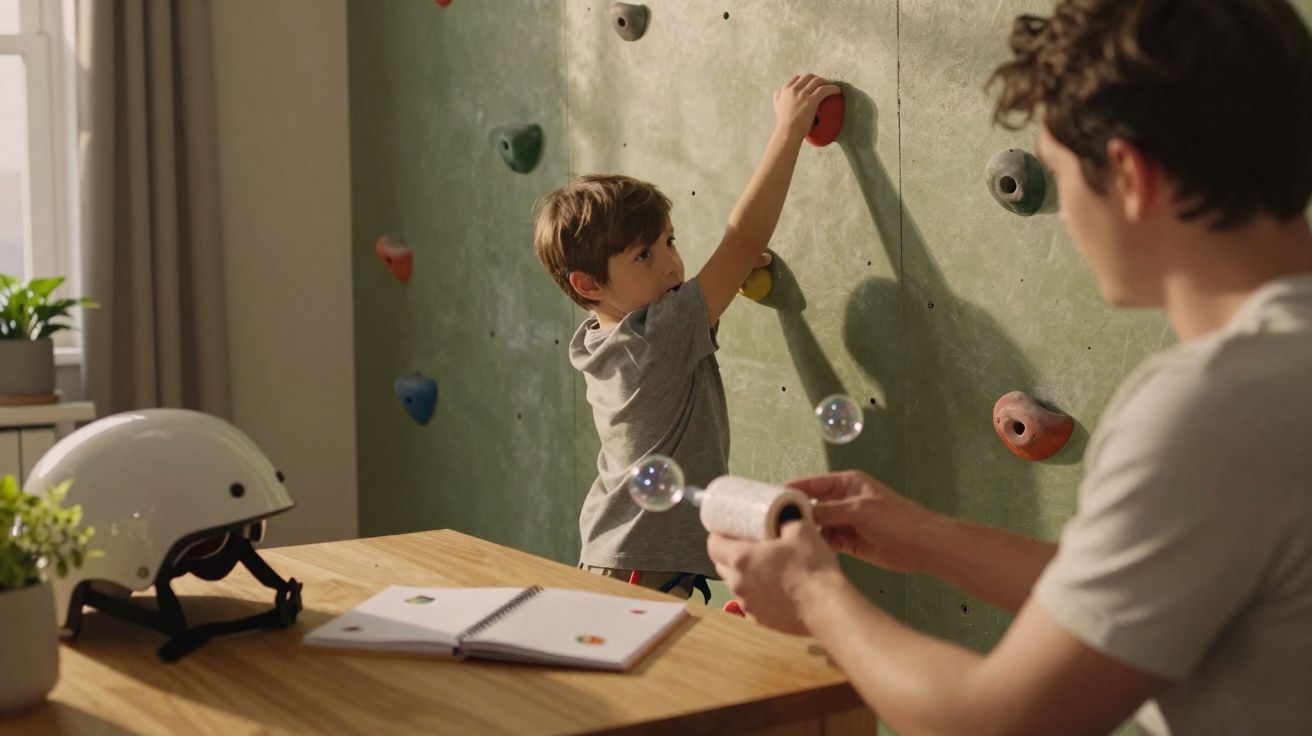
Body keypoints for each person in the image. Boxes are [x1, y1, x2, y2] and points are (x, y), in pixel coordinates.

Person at [707, 1, 1312, 733]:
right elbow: (1127, 594)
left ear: (1128, 175)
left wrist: (811, 596)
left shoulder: (1211, 406)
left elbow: (998, 719)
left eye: (1060, 176)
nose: (1065, 218)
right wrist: (923, 534)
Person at [533, 75, 840, 598]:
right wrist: (788, 130)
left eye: (669, 241)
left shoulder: (602, 335)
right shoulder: (657, 336)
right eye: (644, 255)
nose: (673, 262)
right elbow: (743, 240)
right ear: (589, 285)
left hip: (626, 553)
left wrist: (721, 285)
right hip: (641, 564)